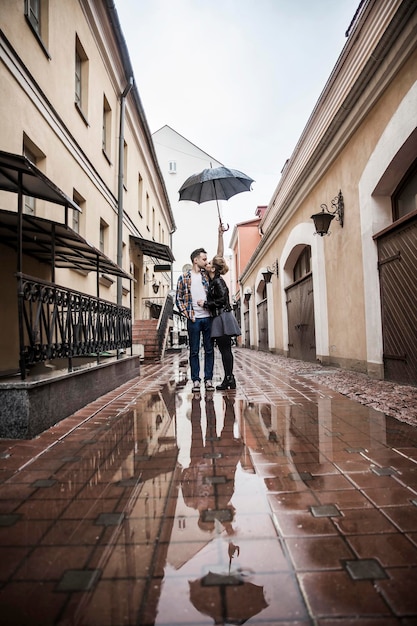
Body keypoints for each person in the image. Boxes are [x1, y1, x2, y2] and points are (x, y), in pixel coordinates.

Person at [176, 226, 226, 393]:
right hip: (194, 320)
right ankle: (196, 380)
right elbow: (179, 298)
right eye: (204, 259)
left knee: (210, 350)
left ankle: (208, 379)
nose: (207, 261)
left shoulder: (207, 274)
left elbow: (219, 256)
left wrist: (219, 234)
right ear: (195, 260)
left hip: (209, 318)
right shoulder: (184, 278)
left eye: (206, 259)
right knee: (194, 351)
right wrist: (188, 314)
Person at [205, 251, 241, 390]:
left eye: (209, 263)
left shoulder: (218, 281)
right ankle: (229, 378)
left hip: (222, 317)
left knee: (225, 350)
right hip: (220, 317)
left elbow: (222, 299)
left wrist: (206, 304)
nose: (207, 264)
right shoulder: (214, 281)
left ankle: (229, 379)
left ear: (213, 269)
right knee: (224, 349)